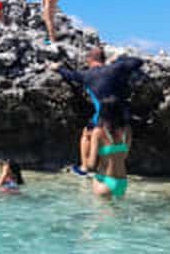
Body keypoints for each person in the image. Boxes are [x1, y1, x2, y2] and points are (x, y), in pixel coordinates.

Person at [49, 46, 144, 175]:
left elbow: (70, 75)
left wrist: (57, 68)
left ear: (89, 60)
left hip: (104, 112)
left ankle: (85, 168)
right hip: (122, 112)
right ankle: (119, 164)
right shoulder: (115, 68)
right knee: (126, 130)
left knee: (87, 134)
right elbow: (138, 62)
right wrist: (119, 59)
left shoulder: (87, 75)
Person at [86, 98, 132, 198]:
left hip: (104, 180)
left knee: (99, 213)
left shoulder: (98, 132)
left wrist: (87, 140)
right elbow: (124, 156)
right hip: (122, 182)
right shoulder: (127, 130)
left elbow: (91, 164)